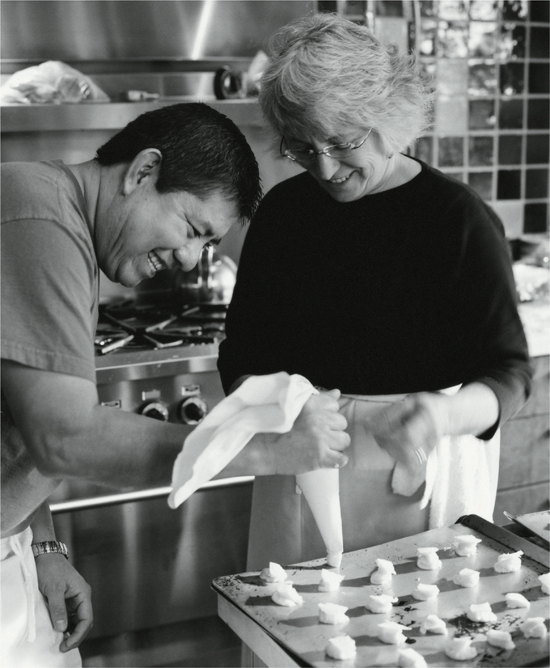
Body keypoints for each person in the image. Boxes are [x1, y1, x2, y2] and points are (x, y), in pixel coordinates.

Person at [1, 102, 350, 667]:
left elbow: (23, 419)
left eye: (208, 246)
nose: (191, 259)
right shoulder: (35, 217)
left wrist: (41, 544)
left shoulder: (58, 222)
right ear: (142, 171)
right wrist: (259, 448)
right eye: (192, 229)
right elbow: (62, 436)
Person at [217, 14, 533, 571]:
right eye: (302, 147)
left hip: (423, 469)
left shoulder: (457, 219)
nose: (324, 167)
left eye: (341, 143)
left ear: (390, 117)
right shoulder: (283, 215)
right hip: (301, 466)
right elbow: (242, 353)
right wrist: (279, 404)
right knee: (295, 634)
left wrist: (445, 414)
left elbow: (509, 371)